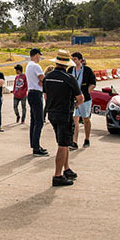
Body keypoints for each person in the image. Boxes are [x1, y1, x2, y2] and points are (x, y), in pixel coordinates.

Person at [44, 50, 84, 187]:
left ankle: (66, 169)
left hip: (52, 112)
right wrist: (74, 105)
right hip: (64, 114)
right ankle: (57, 175)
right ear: (67, 64)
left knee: (64, 142)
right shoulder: (69, 78)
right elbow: (80, 98)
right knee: (63, 144)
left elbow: (46, 96)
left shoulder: (48, 77)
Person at [67, 52, 96, 149]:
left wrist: (87, 92)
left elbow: (93, 83)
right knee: (75, 118)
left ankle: (87, 138)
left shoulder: (87, 70)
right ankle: (74, 141)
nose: (73, 61)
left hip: (85, 99)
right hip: (74, 99)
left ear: (80, 60)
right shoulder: (70, 70)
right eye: (72, 59)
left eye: (75, 59)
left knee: (85, 119)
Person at [26, 48, 48, 156]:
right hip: (36, 93)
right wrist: (43, 81)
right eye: (39, 55)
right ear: (36, 55)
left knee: (33, 121)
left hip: (31, 93)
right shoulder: (35, 66)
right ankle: (36, 147)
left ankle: (34, 144)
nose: (40, 58)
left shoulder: (29, 65)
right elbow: (43, 78)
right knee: (39, 121)